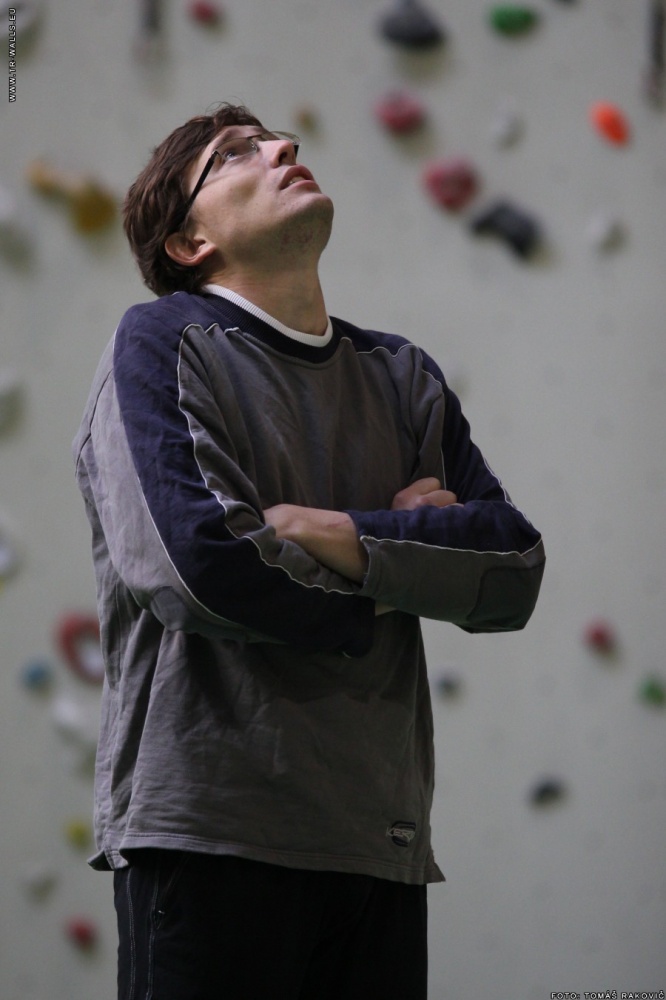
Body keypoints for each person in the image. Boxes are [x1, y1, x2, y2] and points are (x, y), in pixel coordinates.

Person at [72, 102, 545, 1000]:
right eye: (235, 155)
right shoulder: (159, 340)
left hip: (379, 843)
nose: (283, 147)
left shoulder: (402, 374)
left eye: (277, 140)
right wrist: (402, 568)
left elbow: (513, 570)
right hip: (207, 836)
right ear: (189, 242)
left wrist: (329, 531)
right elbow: (200, 568)